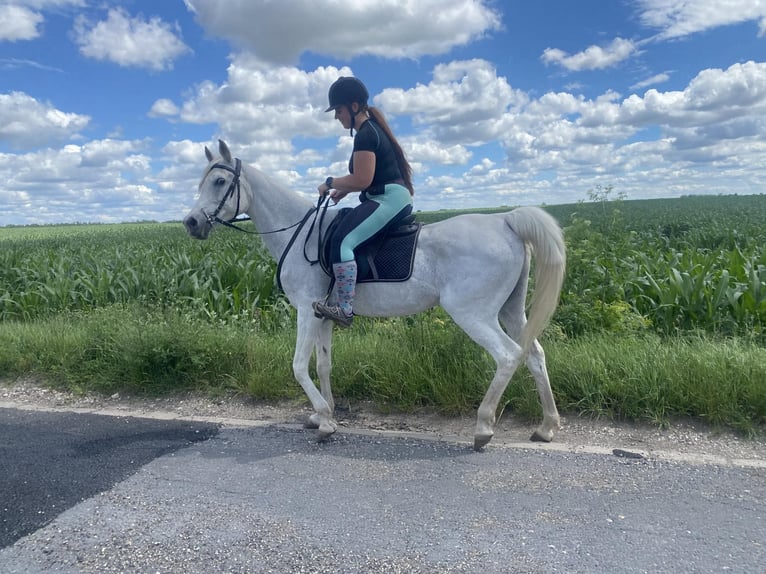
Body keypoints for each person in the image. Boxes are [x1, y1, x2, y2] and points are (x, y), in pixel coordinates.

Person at [312, 76, 415, 327]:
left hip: (388, 198)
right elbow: (365, 179)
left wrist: (330, 182)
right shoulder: (370, 131)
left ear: (354, 106)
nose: (337, 116)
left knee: (342, 241)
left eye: (338, 110)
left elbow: (361, 179)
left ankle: (345, 308)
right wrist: (344, 191)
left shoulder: (366, 134)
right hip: (387, 196)